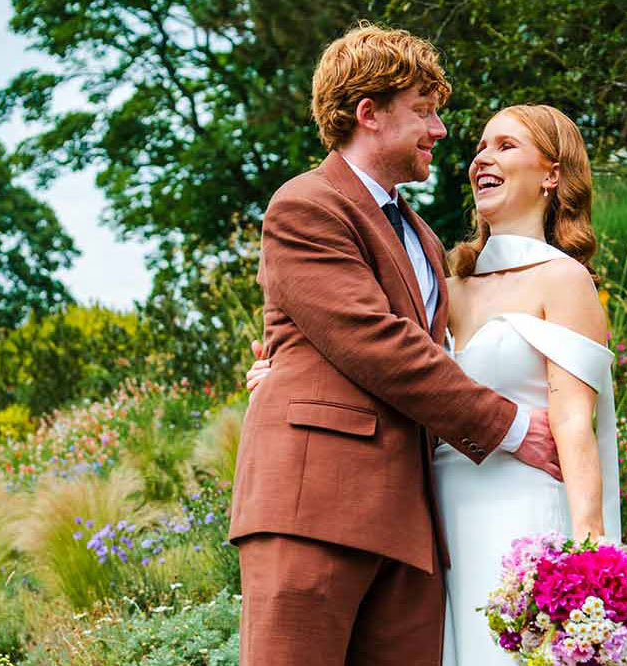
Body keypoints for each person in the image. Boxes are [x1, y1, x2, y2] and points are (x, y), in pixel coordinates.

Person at [228, 24, 564, 666]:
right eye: (424, 111)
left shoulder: (426, 239)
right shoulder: (305, 205)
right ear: (368, 114)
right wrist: (511, 425)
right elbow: (373, 341)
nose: (440, 131)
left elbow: (427, 349)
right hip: (314, 507)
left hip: (411, 524)